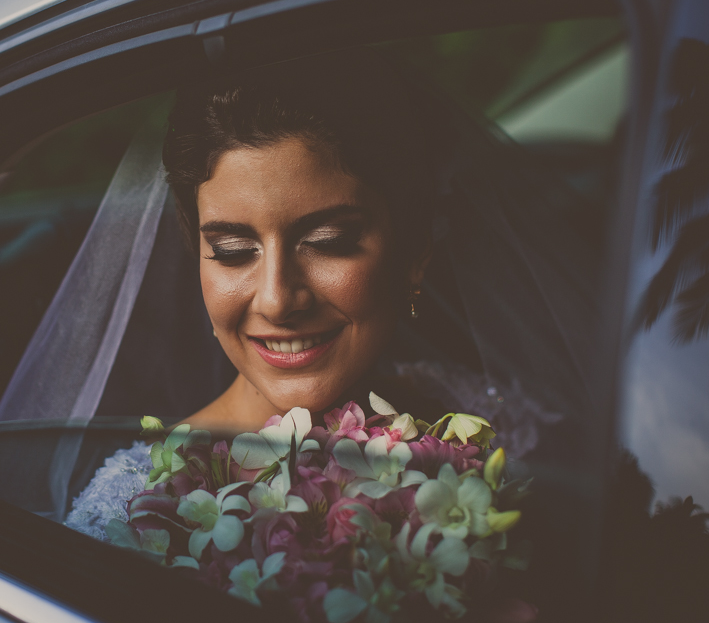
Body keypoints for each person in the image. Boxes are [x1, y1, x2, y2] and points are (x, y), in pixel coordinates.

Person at [66, 49, 457, 538]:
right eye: (232, 251)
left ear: (414, 252)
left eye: (327, 242)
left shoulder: (472, 431)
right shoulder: (135, 511)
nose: (276, 300)